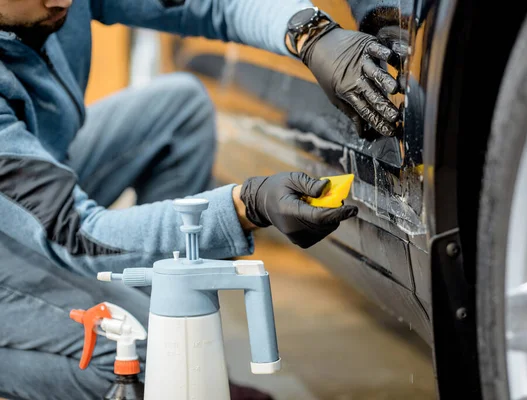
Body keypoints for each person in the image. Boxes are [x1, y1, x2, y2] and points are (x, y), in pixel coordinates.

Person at [0, 0, 401, 398]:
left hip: (36, 173)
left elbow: (210, 6)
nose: (63, 1)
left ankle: (166, 341)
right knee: (142, 347)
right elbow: (74, 232)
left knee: (181, 108)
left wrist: (312, 33)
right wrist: (246, 206)